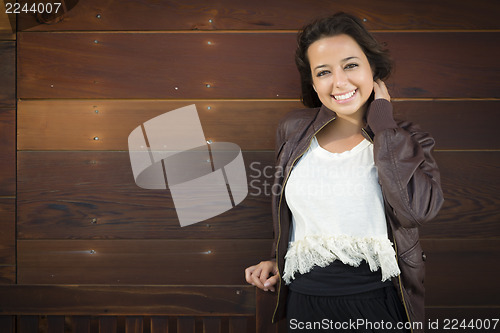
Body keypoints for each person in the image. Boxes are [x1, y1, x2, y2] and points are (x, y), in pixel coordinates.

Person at [245, 12, 444, 333]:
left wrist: (383, 125)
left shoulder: (407, 138)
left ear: (373, 70)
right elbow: (299, 216)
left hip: (377, 302)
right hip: (303, 302)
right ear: (312, 81)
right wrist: (278, 260)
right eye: (324, 72)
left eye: (351, 65)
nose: (339, 82)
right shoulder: (293, 130)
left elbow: (415, 212)